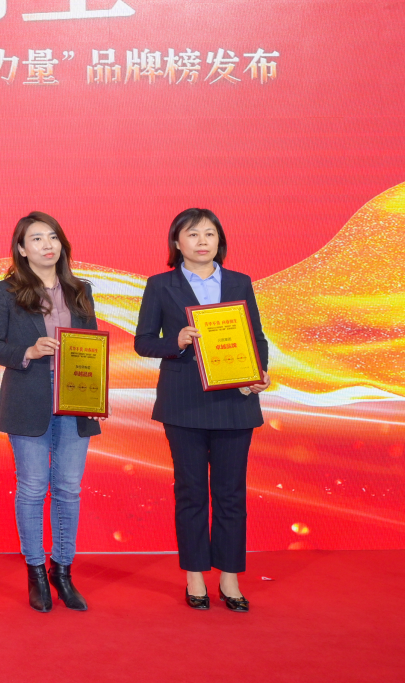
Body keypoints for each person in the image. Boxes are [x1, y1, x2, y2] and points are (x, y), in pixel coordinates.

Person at [135, 208, 269, 612]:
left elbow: (256, 338)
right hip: (184, 403)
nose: (202, 241)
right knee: (191, 492)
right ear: (177, 243)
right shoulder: (160, 285)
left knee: (231, 494)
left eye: (209, 234)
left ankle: (229, 579)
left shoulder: (239, 282)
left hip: (235, 402)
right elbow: (144, 341)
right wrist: (174, 341)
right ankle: (195, 576)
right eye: (193, 234)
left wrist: (258, 373)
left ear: (219, 241)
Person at [0, 212, 100, 613]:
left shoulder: (80, 290)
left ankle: (62, 571)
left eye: (53, 237)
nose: (47, 245)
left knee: (68, 489)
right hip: (28, 398)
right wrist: (28, 351)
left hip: (74, 401)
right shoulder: (5, 292)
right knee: (32, 488)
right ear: (21, 248)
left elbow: (92, 349)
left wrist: (96, 397)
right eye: (36, 239)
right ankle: (35, 571)